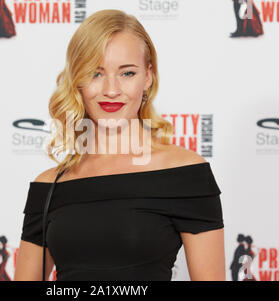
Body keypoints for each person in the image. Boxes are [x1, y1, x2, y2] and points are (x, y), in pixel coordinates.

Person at [14, 9, 225, 281]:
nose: (111, 90)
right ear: (76, 80)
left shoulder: (186, 175)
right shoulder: (49, 186)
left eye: (127, 73)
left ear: (147, 77)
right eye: (96, 73)